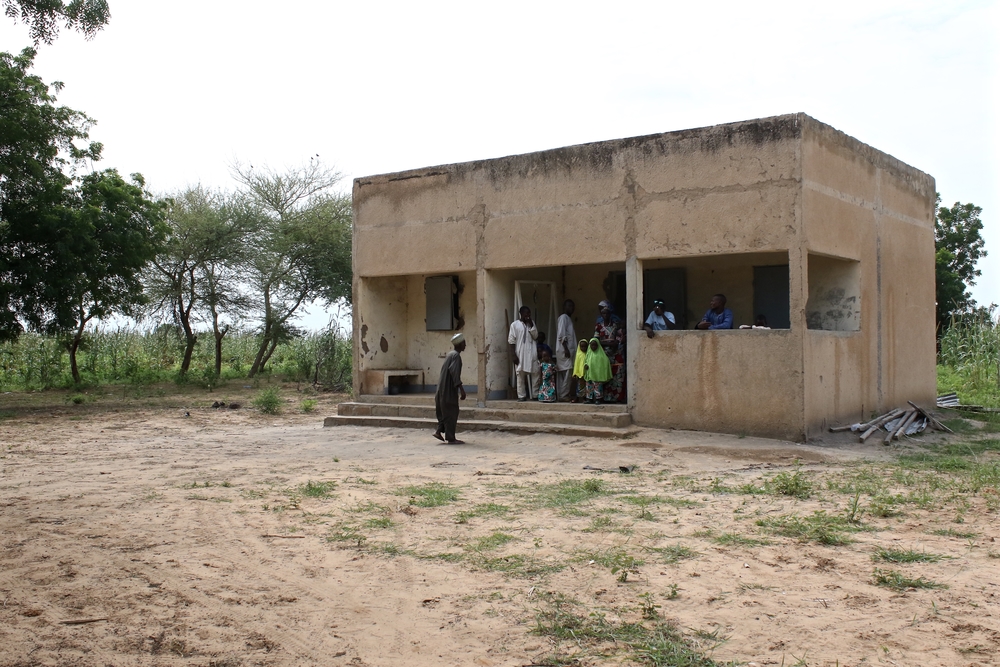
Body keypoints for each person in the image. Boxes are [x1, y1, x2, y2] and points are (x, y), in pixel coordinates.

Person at [433, 333, 467, 444]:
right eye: (464, 343)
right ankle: (451, 437)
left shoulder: (450, 354)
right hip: (448, 390)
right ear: (460, 344)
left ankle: (439, 431)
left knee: (444, 411)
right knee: (451, 412)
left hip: (441, 389)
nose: (465, 345)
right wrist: (461, 388)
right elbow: (454, 373)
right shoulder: (456, 356)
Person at [594, 302, 626, 403]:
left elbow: (621, 336)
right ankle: (605, 397)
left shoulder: (616, 325)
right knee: (604, 375)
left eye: (607, 313)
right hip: (604, 353)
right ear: (601, 315)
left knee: (618, 374)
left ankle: (617, 398)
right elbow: (595, 340)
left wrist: (616, 342)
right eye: (603, 313)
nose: (606, 315)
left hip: (616, 352)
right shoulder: (598, 326)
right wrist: (607, 343)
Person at [507, 305, 539, 401]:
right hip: (520, 353)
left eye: (529, 313)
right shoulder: (514, 325)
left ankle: (535, 395)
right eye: (526, 313)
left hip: (532, 352)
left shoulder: (532, 323)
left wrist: (531, 325)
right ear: (521, 314)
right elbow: (511, 341)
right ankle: (521, 396)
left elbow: (536, 336)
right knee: (520, 375)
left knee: (535, 373)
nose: (528, 315)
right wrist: (513, 355)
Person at [555, 300, 577, 401]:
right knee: (567, 373)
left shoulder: (568, 318)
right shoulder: (563, 317)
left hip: (568, 350)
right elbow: (561, 334)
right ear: (564, 306)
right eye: (569, 306)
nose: (571, 308)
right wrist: (566, 348)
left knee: (565, 373)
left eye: (572, 306)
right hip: (565, 350)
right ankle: (563, 395)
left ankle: (562, 394)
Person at [583, 338, 612, 404]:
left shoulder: (601, 355)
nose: (593, 347)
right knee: (589, 386)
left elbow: (605, 362)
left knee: (598, 386)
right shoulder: (588, 353)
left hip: (598, 375)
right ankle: (589, 399)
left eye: (595, 345)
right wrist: (585, 365)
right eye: (592, 345)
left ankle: (598, 399)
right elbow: (586, 361)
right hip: (590, 374)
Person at [571, 338, 588, 403]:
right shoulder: (578, 354)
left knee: (585, 387)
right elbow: (576, 365)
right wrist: (575, 373)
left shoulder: (588, 354)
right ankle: (577, 398)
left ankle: (584, 398)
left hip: (586, 374)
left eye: (585, 346)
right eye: (582, 346)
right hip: (580, 374)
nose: (583, 348)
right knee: (579, 387)